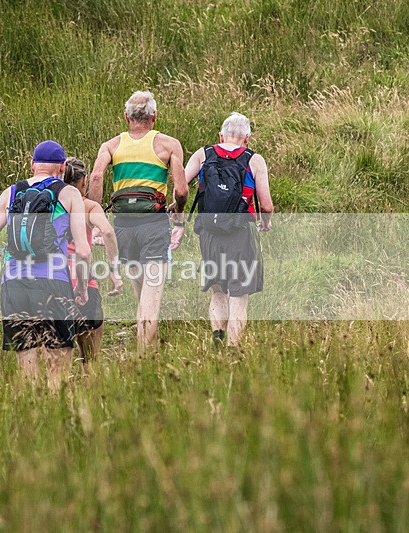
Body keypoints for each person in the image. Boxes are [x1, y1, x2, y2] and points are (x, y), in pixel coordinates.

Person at [0, 140, 91, 390]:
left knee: (27, 375)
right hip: (54, 285)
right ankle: (56, 424)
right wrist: (81, 287)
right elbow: (82, 250)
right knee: (58, 373)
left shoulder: (11, 193)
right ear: (62, 167)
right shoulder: (69, 194)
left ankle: (31, 424)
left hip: (14, 287)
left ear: (31, 165)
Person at [88, 91, 188, 352]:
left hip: (123, 227)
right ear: (155, 117)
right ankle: (145, 361)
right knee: (151, 301)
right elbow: (181, 191)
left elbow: (97, 177)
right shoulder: (168, 144)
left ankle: (147, 349)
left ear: (126, 117)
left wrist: (96, 220)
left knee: (141, 293)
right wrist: (178, 212)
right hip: (154, 226)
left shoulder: (111, 146)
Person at [176, 112, 273, 347]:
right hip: (240, 233)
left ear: (220, 135)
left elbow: (181, 186)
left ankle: (218, 343)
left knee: (218, 291)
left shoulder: (203, 154)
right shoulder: (254, 160)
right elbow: (267, 205)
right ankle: (233, 350)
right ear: (246, 138)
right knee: (238, 296)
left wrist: (177, 214)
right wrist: (265, 223)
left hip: (209, 233)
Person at [62, 157, 123, 369]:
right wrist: (114, 270)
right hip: (84, 280)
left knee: (60, 359)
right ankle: (90, 394)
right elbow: (107, 231)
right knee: (90, 359)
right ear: (84, 181)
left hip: (54, 279)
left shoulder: (51, 204)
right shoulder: (89, 207)